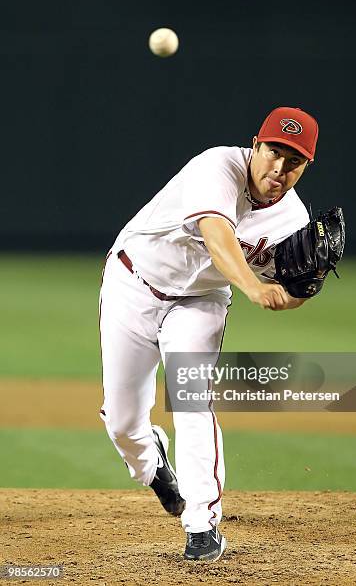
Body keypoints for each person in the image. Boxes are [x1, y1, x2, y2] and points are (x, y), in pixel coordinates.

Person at [99, 106, 319, 562]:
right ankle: (150, 461)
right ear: (255, 145)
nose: (278, 170)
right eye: (273, 152)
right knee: (123, 422)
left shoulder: (294, 220)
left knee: (190, 396)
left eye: (293, 162)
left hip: (201, 303)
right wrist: (255, 285)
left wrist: (301, 291)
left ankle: (202, 523)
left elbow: (290, 293)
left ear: (306, 167)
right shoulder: (217, 165)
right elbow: (217, 235)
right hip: (133, 282)